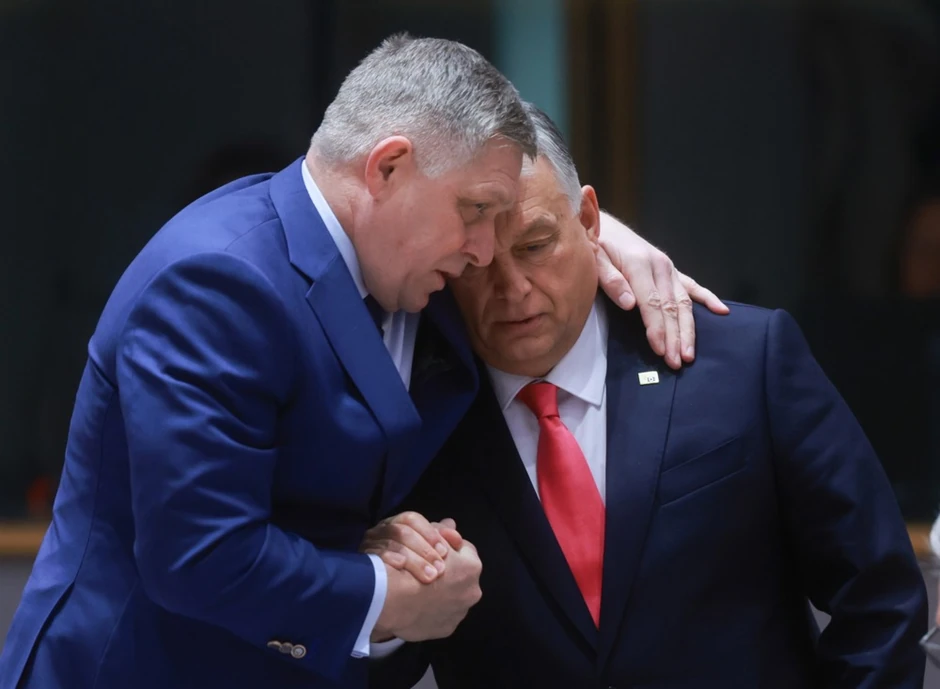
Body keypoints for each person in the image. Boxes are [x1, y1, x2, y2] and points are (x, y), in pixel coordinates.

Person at [0, 36, 723, 689]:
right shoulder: (217, 280)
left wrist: (603, 239)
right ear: (388, 168)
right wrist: (387, 595)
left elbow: (532, 220)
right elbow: (199, 553)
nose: (484, 253)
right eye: (475, 211)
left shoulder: (415, 266)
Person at [364, 104, 928, 688]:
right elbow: (378, 661)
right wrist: (384, 602)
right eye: (478, 264)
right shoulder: (416, 417)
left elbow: (879, 598)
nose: (514, 288)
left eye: (535, 245)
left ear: (589, 221)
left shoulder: (742, 361)